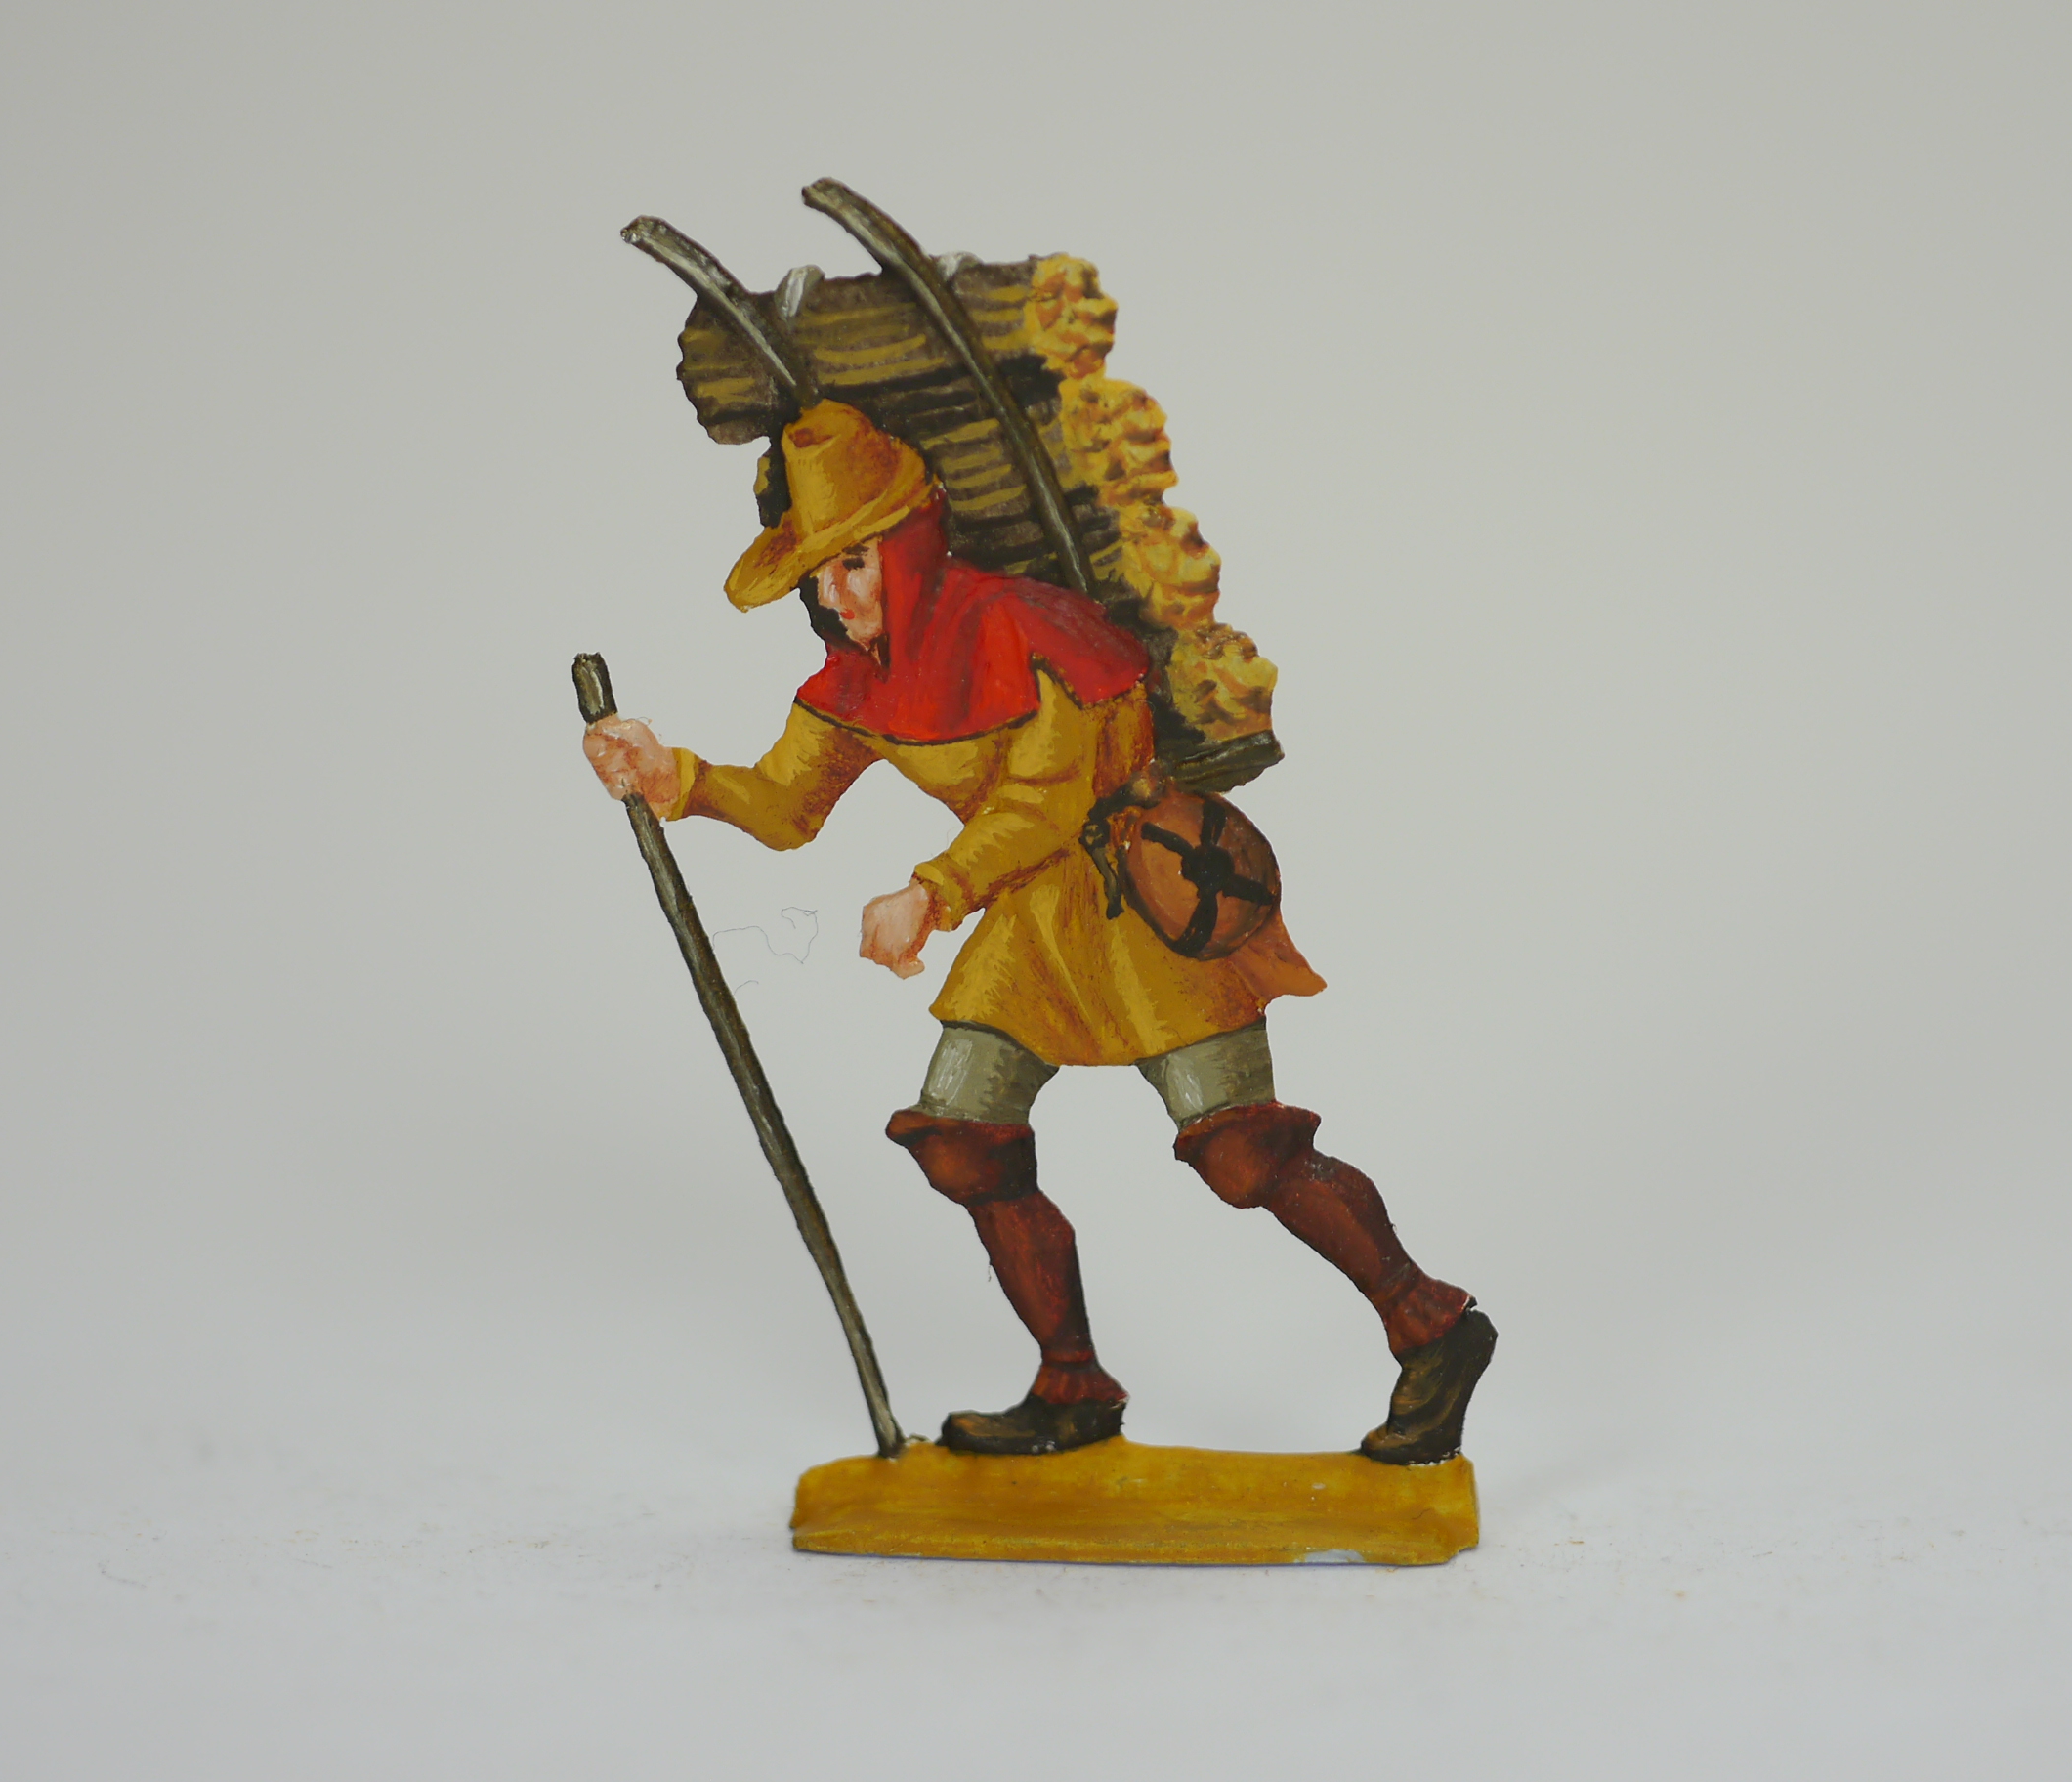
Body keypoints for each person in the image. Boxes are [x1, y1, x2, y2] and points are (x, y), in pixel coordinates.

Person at [583, 401, 1495, 1463]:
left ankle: (1431, 1325)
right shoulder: (855, 682)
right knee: (962, 1138)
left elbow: (1046, 802)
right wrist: (675, 777)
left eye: (855, 564)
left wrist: (931, 892)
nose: (832, 597)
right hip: (1028, 928)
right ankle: (1072, 1383)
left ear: (909, 550)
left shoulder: (1030, 631)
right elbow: (787, 803)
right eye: (817, 575)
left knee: (1243, 1151)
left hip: (1139, 900)